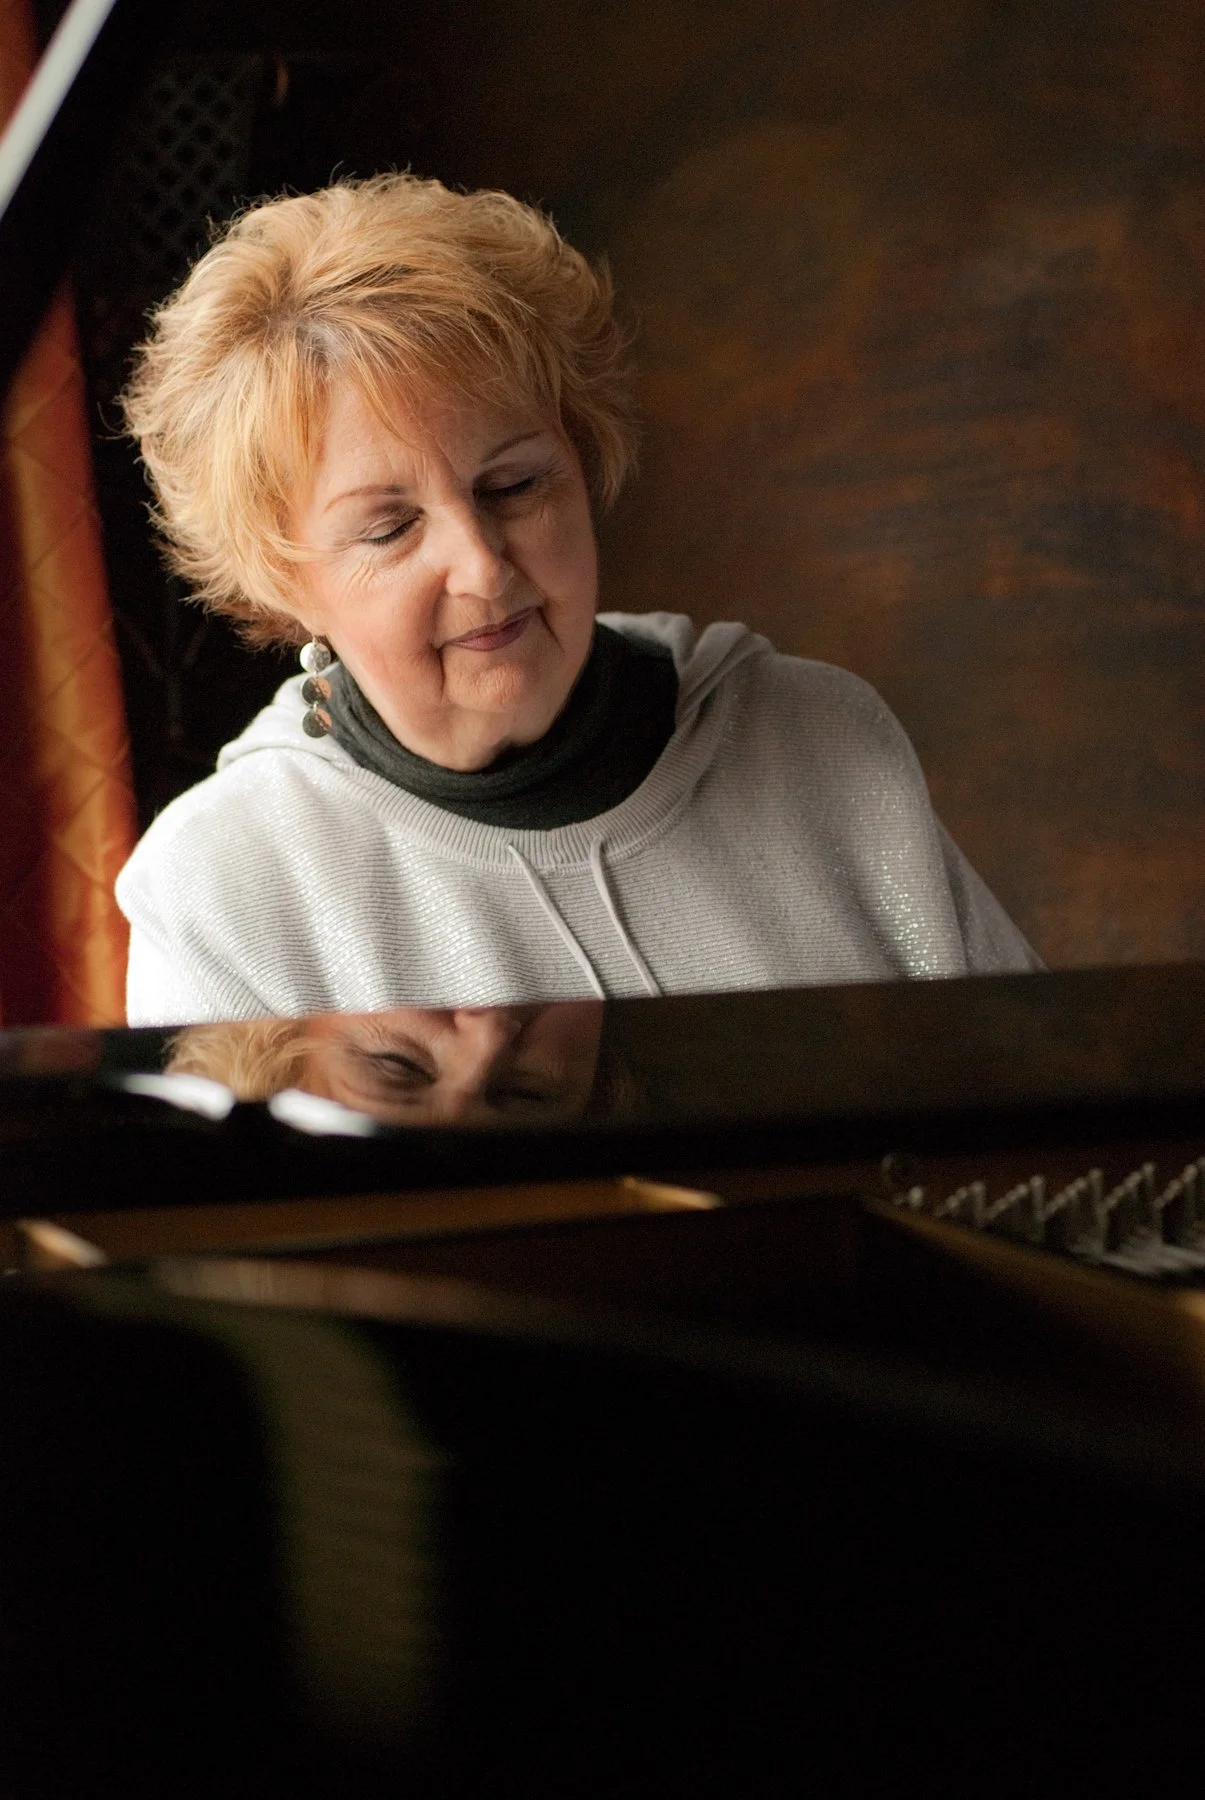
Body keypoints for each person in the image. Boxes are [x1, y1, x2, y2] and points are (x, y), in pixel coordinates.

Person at [115, 173, 1040, 1026]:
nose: (480, 566)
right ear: (285, 581)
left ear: (580, 460)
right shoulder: (222, 888)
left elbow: (1034, 1114)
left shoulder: (818, 740)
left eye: (512, 485)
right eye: (390, 528)